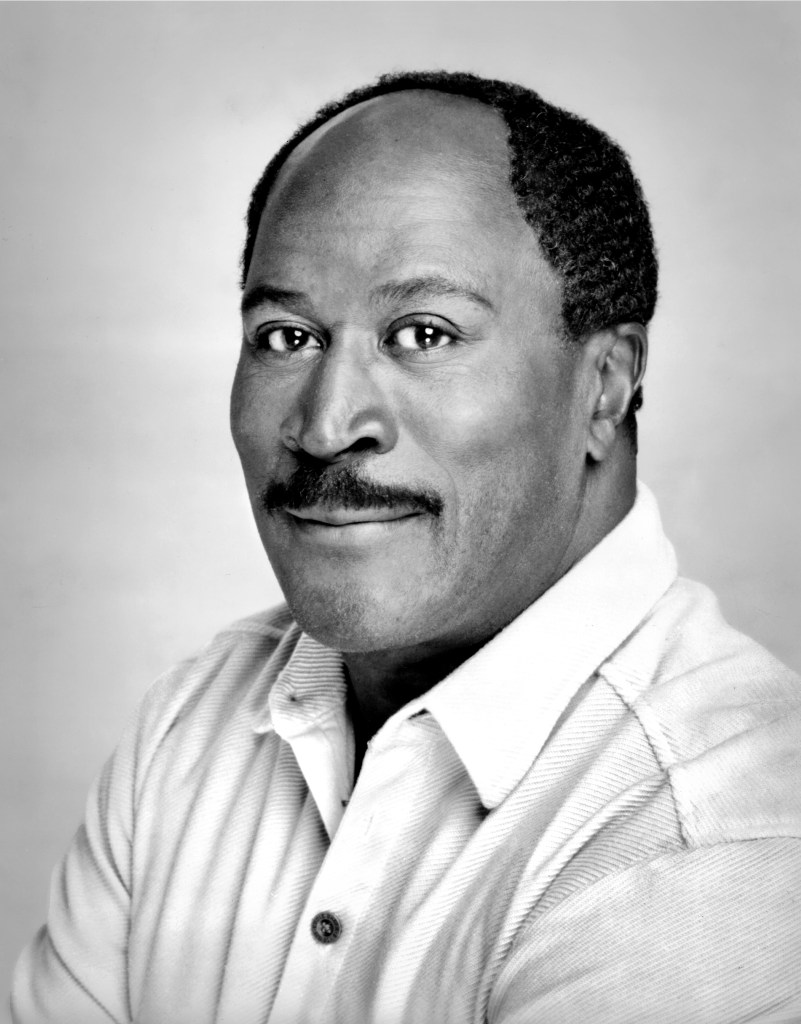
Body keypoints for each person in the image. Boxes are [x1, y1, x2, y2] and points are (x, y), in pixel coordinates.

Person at [12, 70, 801, 1024]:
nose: (328, 420)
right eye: (285, 335)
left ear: (606, 385)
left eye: (422, 333)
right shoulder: (190, 730)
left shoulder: (707, 839)